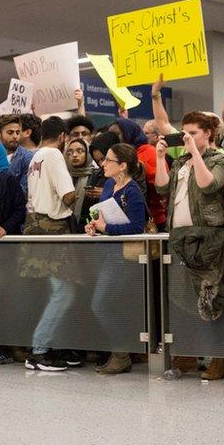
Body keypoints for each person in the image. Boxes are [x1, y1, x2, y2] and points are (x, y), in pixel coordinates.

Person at [155, 112, 224, 378]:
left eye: (194, 133)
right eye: (184, 132)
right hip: (179, 235)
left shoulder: (221, 159)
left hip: (207, 235)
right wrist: (159, 158)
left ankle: (219, 358)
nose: (187, 137)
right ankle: (188, 354)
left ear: (208, 134)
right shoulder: (180, 162)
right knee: (181, 299)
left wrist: (195, 155)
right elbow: (162, 188)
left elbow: (209, 185)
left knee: (210, 294)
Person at [22, 116, 82, 372]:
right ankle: (39, 349)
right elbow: (67, 195)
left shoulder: (35, 157)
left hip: (34, 224)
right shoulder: (55, 155)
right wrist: (86, 195)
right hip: (53, 227)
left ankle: (49, 344)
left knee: (53, 291)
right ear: (62, 137)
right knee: (64, 291)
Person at [83, 143, 148, 375]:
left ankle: (121, 352)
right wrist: (95, 226)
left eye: (108, 161)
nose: (103, 164)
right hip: (108, 254)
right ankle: (121, 351)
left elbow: (137, 228)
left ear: (122, 166)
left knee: (101, 303)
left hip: (123, 258)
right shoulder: (110, 185)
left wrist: (106, 227)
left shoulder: (132, 192)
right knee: (107, 304)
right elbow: (103, 215)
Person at [0, 114, 32, 192]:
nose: (15, 136)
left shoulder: (27, 157)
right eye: (10, 132)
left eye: (18, 132)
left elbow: (23, 192)